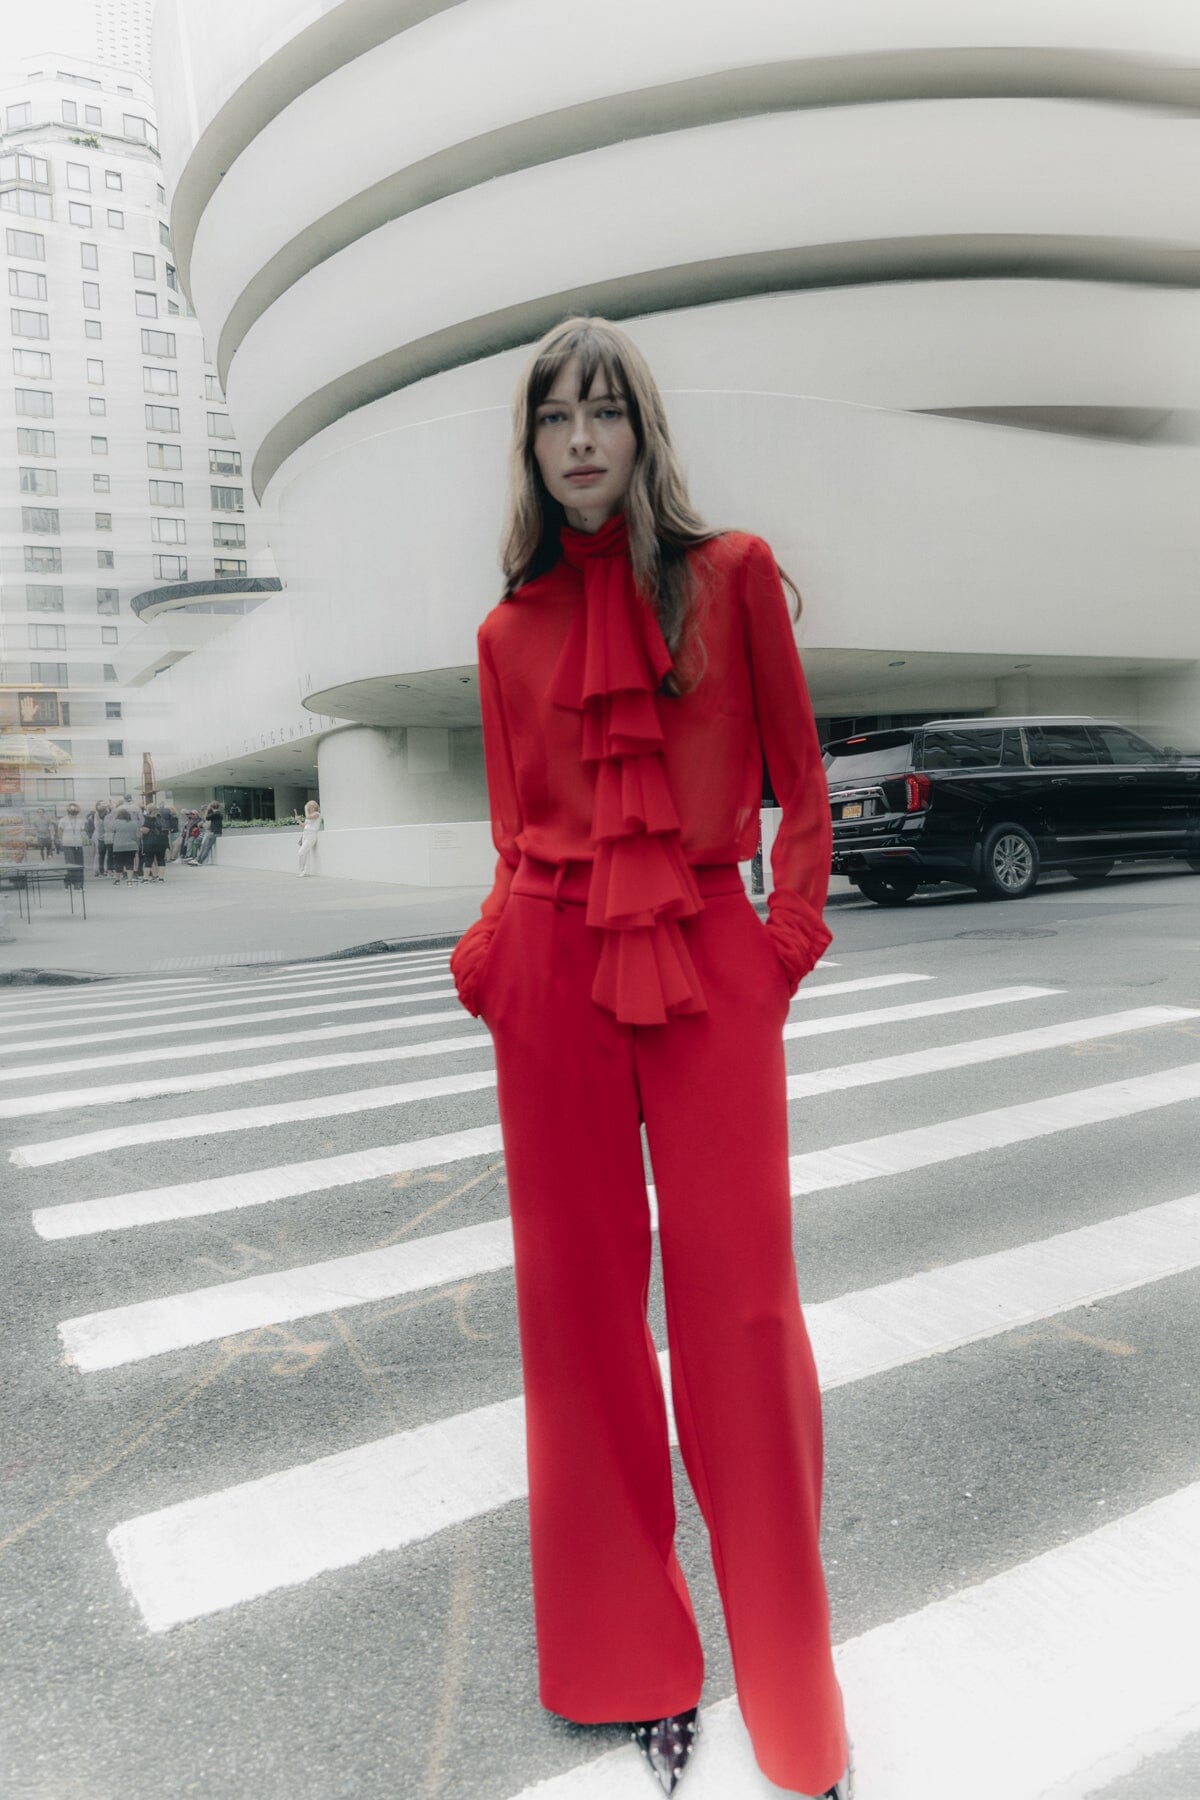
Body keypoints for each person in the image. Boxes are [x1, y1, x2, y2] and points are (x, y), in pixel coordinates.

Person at [448, 318, 850, 1799]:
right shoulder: (505, 636)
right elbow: (509, 830)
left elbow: (801, 783)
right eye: (554, 415)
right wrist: (489, 958)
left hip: (706, 959)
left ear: (641, 431)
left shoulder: (734, 576)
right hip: (552, 972)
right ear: (531, 444)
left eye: (603, 411)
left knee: (743, 1317)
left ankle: (795, 1699)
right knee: (581, 1329)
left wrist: (782, 944)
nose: (578, 439)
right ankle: (633, 1669)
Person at [109, 807, 140, 886]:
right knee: (130, 863)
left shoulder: (115, 823)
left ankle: (117, 880)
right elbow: (136, 836)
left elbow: (110, 832)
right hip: (131, 846)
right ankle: (129, 881)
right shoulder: (133, 823)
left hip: (118, 846)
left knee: (118, 863)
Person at [55, 803, 86, 880]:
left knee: (79, 864)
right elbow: (60, 832)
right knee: (70, 864)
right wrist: (60, 842)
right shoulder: (63, 820)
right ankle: (71, 882)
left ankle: (79, 883)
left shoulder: (80, 820)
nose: (73, 812)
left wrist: (84, 841)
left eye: (75, 810)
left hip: (78, 844)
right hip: (67, 844)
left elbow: (82, 832)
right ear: (68, 811)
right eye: (71, 810)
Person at [297, 799, 321, 876]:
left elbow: (308, 816)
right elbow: (304, 825)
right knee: (305, 853)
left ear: (313, 807)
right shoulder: (309, 816)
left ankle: (302, 871)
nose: (308, 808)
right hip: (305, 834)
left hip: (311, 835)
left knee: (301, 852)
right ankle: (304, 871)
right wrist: (298, 820)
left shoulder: (317, 814)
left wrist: (305, 808)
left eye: (309, 806)